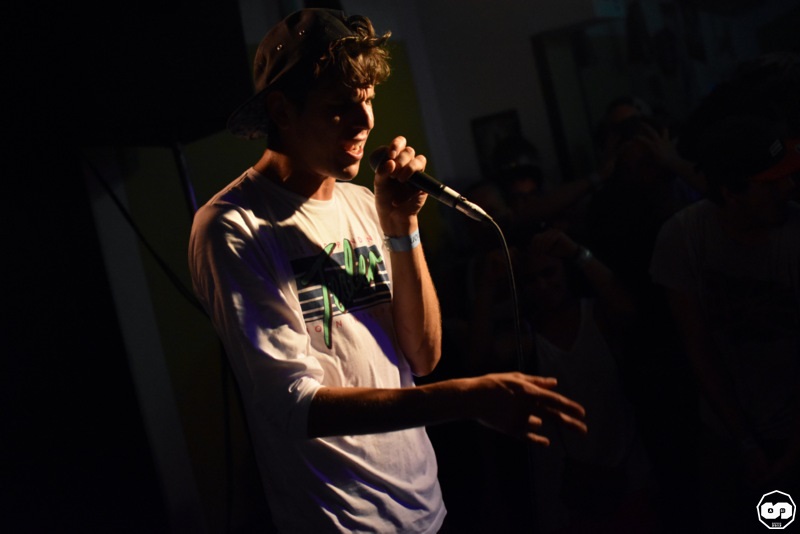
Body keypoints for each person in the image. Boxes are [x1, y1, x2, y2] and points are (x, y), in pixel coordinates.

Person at [188, 8, 587, 533]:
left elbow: (423, 355)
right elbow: (292, 405)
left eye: (368, 100)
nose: (366, 122)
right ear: (281, 110)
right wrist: (466, 399)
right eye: (339, 107)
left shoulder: (363, 204)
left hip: (425, 507)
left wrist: (402, 227)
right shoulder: (232, 226)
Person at [649, 114, 800, 531]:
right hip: (724, 430)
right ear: (731, 192)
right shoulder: (683, 237)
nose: (789, 188)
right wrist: (744, 440)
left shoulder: (794, 235)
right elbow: (697, 347)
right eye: (771, 183)